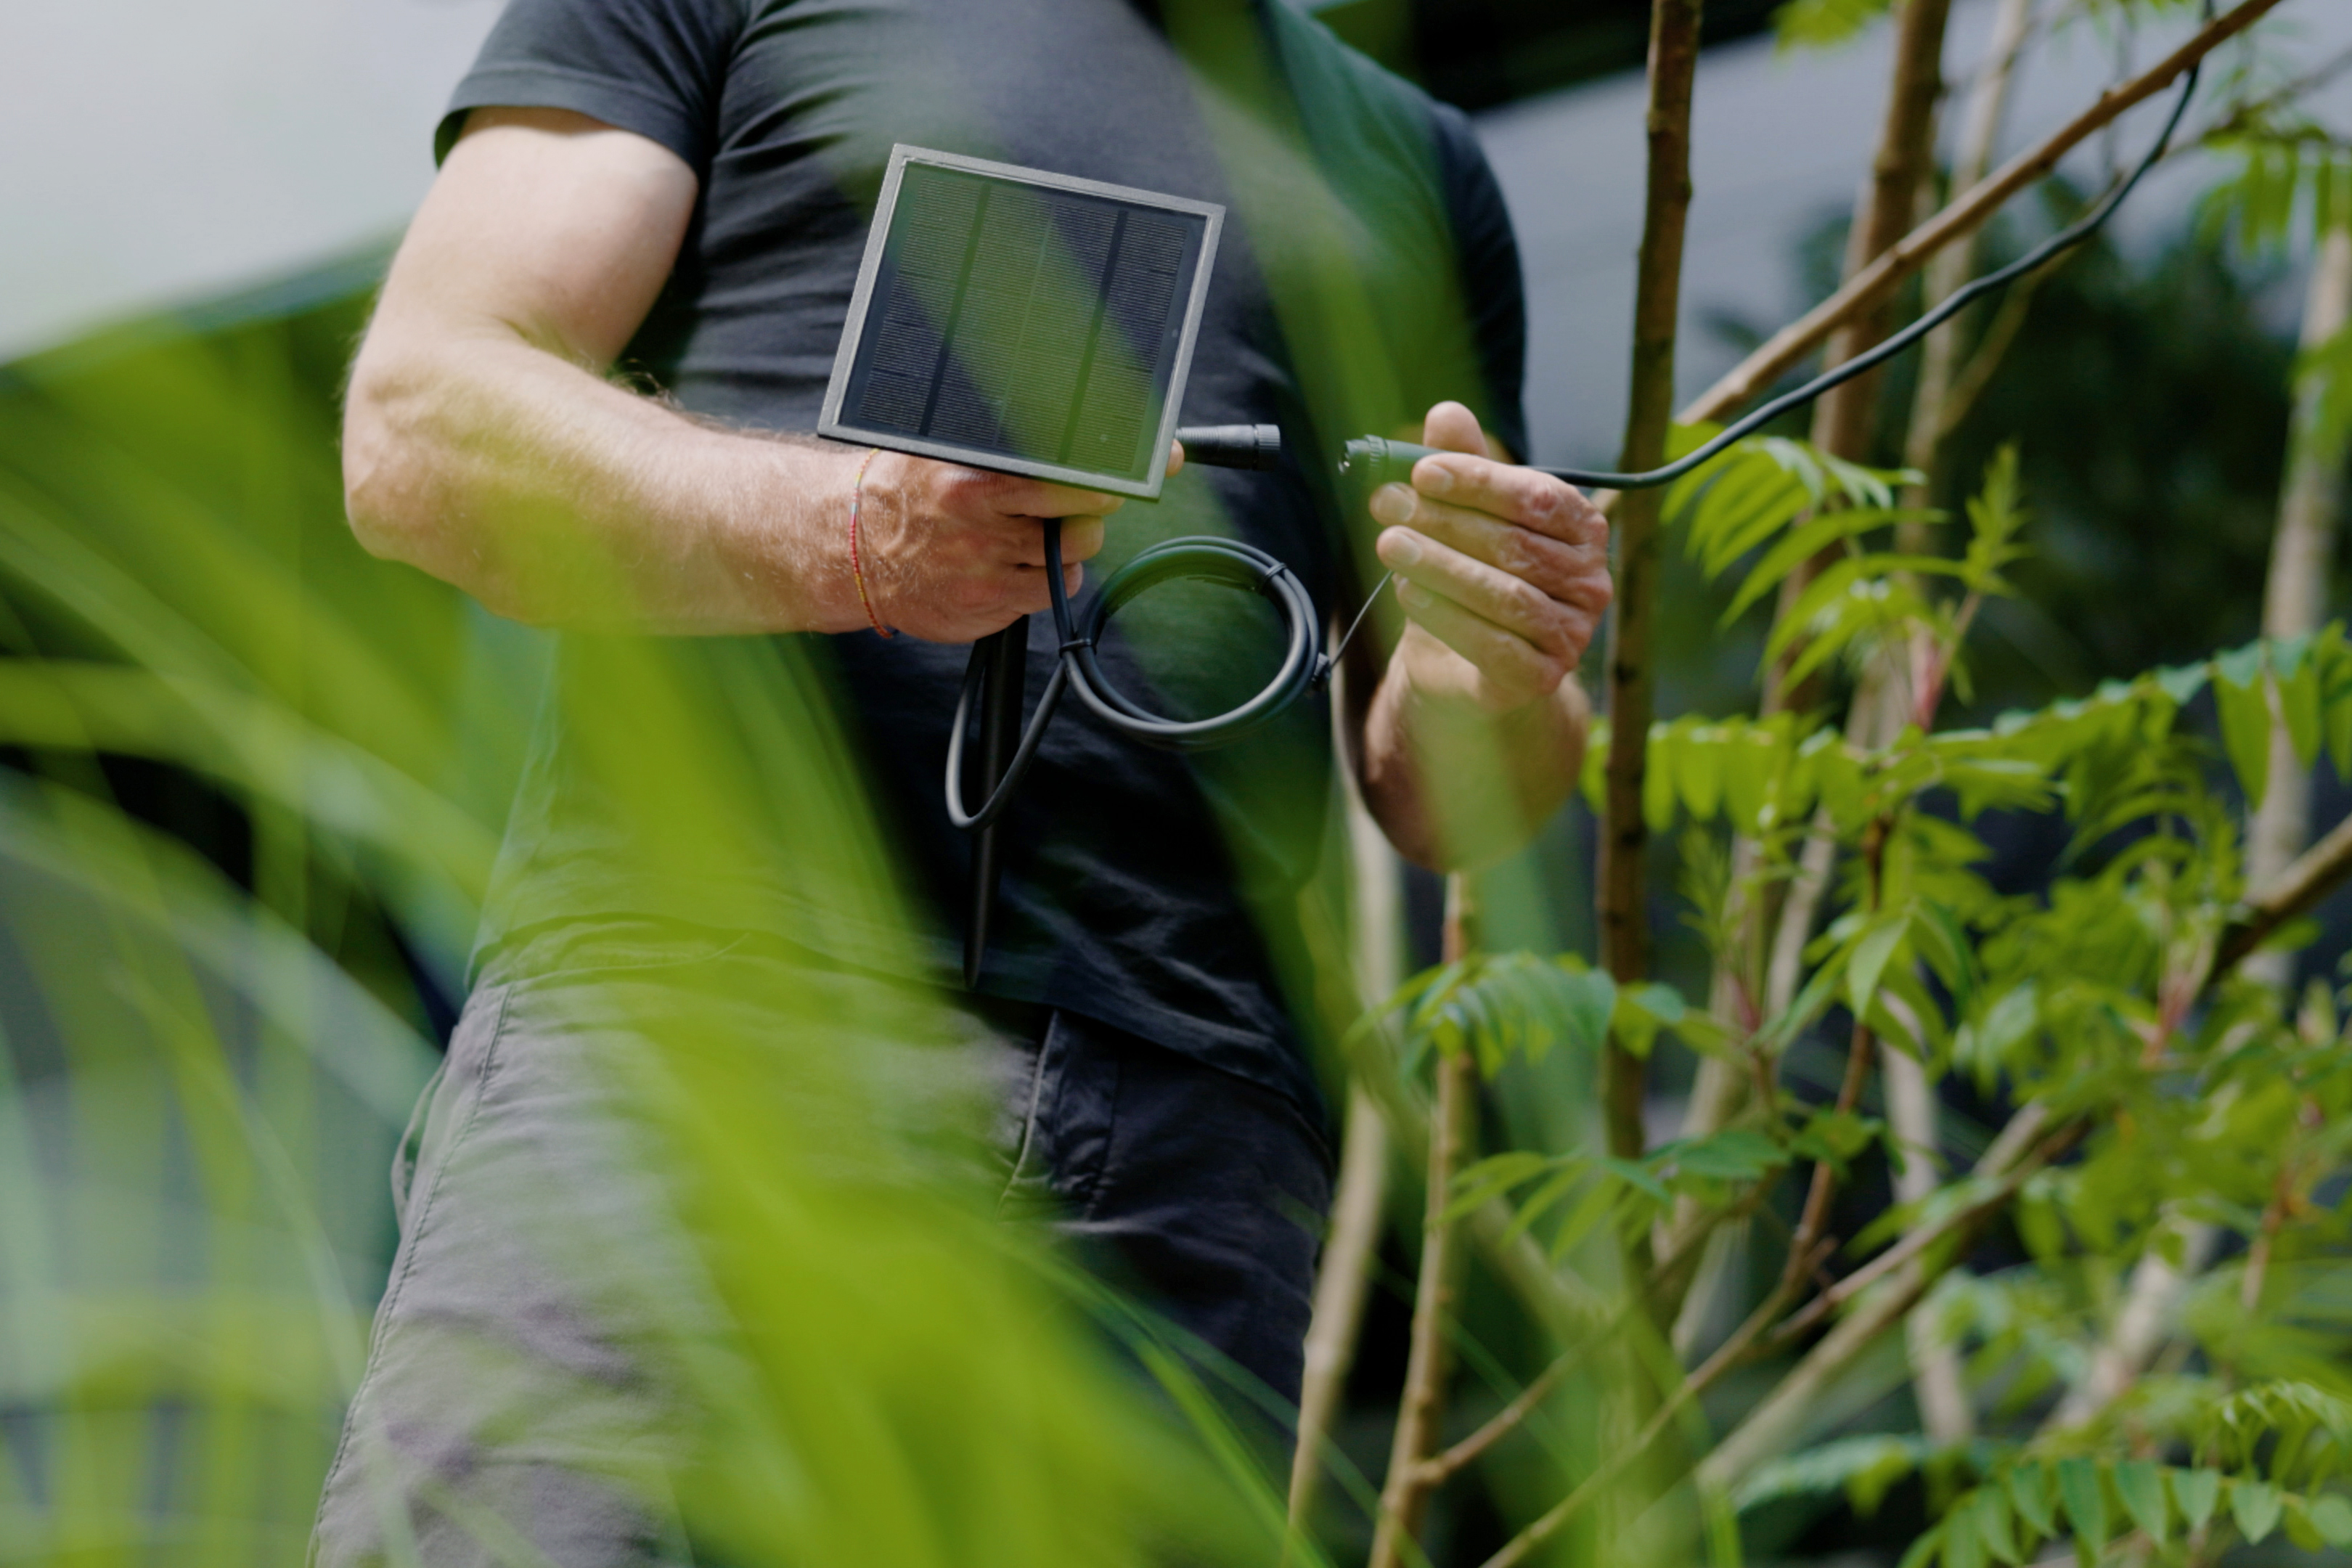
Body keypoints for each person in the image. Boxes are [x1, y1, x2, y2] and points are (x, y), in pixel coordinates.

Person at [314, 0, 1612, 1559]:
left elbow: (1445, 796)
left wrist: (1497, 663)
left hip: (1181, 1132)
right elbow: (423, 426)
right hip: (693, 1020)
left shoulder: (1414, 159)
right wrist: (860, 532)